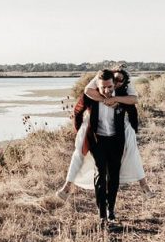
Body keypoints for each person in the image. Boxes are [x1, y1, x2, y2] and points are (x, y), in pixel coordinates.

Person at [56, 68, 153, 218]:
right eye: (103, 87)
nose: (107, 90)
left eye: (110, 87)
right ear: (97, 85)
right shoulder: (91, 96)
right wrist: (80, 131)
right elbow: (77, 111)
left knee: (114, 176)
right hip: (97, 139)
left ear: (114, 84)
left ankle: (111, 209)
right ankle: (102, 214)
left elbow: (133, 110)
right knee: (100, 174)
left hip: (116, 139)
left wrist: (133, 130)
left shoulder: (121, 96)